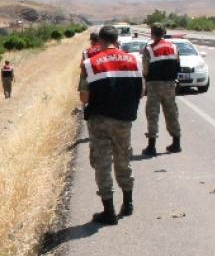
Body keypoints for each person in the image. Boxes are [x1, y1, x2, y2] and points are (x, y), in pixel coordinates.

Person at [78, 25, 144, 225]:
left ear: (99, 41)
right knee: (123, 158)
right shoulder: (135, 60)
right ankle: (128, 203)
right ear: (117, 40)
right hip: (124, 119)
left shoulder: (90, 63)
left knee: (102, 163)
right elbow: (141, 92)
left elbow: (83, 97)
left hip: (99, 120)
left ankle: (109, 211)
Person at [141, 22, 182, 156]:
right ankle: (176, 143)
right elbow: (178, 65)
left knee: (152, 114)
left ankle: (151, 146)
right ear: (164, 32)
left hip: (154, 85)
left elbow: (145, 70)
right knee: (171, 112)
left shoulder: (149, 49)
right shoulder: (174, 47)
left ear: (152, 33)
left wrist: (145, 79)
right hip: (170, 84)